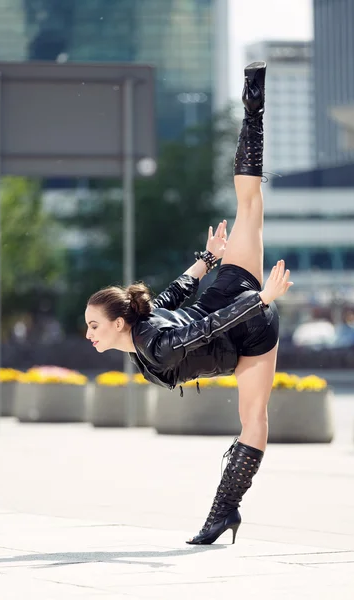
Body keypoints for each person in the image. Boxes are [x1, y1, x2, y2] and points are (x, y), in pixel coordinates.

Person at [85, 61, 293, 545]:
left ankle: (223, 513)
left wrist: (261, 298)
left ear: (119, 324)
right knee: (249, 205)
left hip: (246, 323)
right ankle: (254, 108)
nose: (89, 334)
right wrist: (206, 260)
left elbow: (205, 330)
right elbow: (172, 296)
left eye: (94, 325)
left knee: (254, 419)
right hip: (227, 300)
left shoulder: (155, 344)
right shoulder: (141, 326)